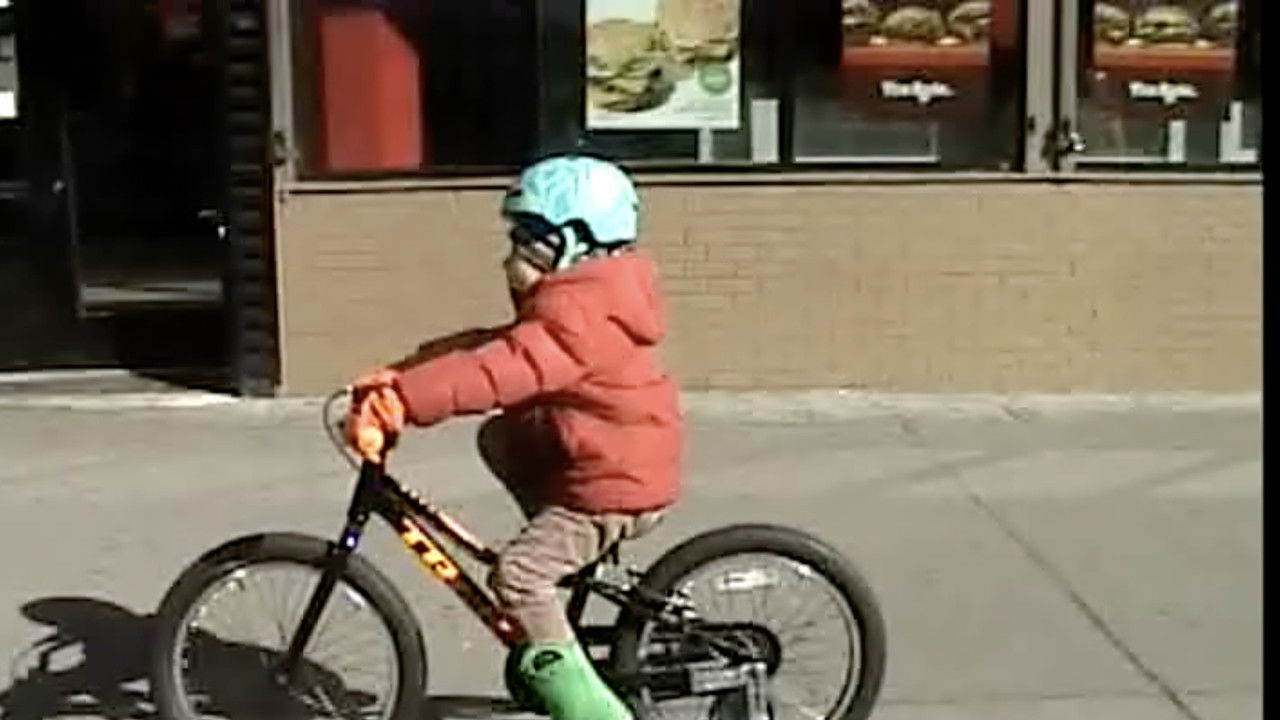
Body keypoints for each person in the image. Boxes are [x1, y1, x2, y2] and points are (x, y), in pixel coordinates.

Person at [345, 154, 683, 720]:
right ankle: (559, 574)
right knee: (503, 435)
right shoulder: (587, 299)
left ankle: (593, 713)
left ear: (572, 244)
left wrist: (403, 403)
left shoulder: (581, 315)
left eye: (526, 241)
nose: (511, 257)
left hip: (614, 483)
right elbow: (491, 347)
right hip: (603, 456)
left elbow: (502, 369)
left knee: (518, 576)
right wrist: (402, 376)